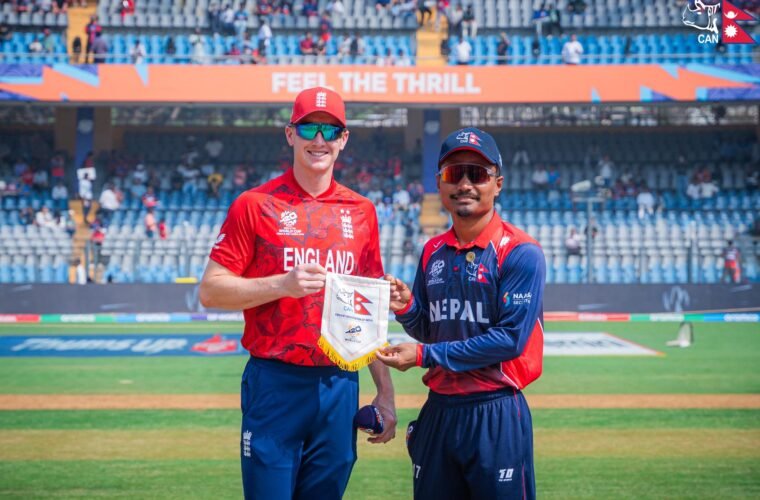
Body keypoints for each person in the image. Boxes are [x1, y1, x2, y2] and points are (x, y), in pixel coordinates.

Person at [198, 86, 397, 499]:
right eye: (308, 129)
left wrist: (385, 393)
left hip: (340, 384)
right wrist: (281, 285)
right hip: (276, 383)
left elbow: (368, 313)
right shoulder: (254, 204)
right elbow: (211, 291)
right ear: (290, 134)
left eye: (330, 130)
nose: (319, 140)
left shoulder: (362, 212)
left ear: (344, 139)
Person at [377, 127, 545, 499]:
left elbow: (509, 340)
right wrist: (407, 308)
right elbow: (431, 329)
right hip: (439, 409)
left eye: (477, 174)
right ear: (440, 183)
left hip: (495, 410)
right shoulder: (432, 250)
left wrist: (423, 356)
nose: (465, 184)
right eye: (455, 174)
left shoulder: (520, 252)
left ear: (497, 184)